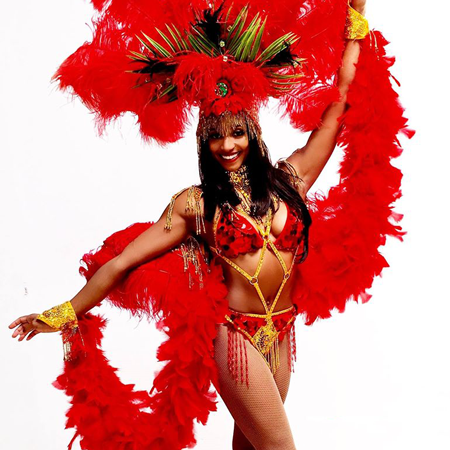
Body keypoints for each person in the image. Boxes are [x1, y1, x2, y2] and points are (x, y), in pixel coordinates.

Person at [9, 1, 410, 449]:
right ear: (203, 140)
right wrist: (67, 310)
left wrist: (355, 24)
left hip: (279, 331)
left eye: (236, 132)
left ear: (253, 133)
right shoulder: (194, 205)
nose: (227, 144)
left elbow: (337, 110)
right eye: (215, 134)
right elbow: (122, 262)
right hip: (233, 338)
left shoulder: (291, 178)